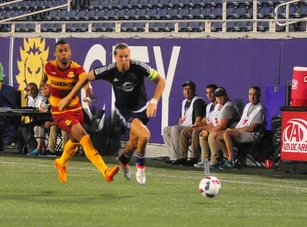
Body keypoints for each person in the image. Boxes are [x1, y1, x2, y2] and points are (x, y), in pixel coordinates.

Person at [59, 43, 166, 185]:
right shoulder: (109, 70)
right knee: (145, 135)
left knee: (134, 142)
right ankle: (140, 167)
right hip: (125, 111)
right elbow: (85, 77)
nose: (124, 59)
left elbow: (161, 81)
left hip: (143, 108)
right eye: (121, 57)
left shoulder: (139, 67)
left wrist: (154, 101)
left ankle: (123, 160)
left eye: (126, 56)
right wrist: (69, 96)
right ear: (115, 57)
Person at [41, 39, 119, 183]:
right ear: (55, 54)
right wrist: (45, 89)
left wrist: (88, 93)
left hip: (76, 109)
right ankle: (105, 170)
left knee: (75, 141)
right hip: (60, 111)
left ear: (70, 52)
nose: (64, 53)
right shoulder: (48, 67)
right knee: (84, 137)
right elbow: (44, 80)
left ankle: (61, 162)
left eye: (66, 50)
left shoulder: (77, 69)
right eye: (61, 51)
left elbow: (85, 83)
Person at [215, 86, 265, 169]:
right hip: (241, 131)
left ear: (259, 96)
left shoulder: (259, 109)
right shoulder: (247, 106)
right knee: (215, 135)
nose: (252, 97)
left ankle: (231, 160)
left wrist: (235, 130)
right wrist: (234, 129)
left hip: (252, 134)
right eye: (250, 94)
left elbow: (251, 128)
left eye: (254, 94)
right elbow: (242, 122)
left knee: (227, 133)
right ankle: (227, 157)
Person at [162, 80, 206, 165]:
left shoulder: (197, 101)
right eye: (185, 89)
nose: (187, 91)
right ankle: (172, 156)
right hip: (184, 126)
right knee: (166, 130)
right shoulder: (184, 102)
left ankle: (177, 157)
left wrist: (192, 129)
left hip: (192, 126)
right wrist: (179, 127)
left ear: (194, 90)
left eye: (189, 89)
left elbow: (198, 119)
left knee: (175, 129)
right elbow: (181, 119)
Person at [196, 87, 240, 168]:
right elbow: (214, 123)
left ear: (226, 95)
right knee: (202, 134)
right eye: (217, 96)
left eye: (221, 95)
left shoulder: (228, 106)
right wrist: (205, 130)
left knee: (212, 135)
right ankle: (204, 160)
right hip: (222, 130)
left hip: (231, 131)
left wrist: (208, 132)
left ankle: (214, 160)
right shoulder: (217, 106)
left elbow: (223, 125)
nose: (219, 98)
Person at [179, 84, 217, 166]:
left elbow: (214, 123)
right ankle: (182, 157)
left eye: (211, 92)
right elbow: (204, 120)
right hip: (207, 127)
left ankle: (194, 158)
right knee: (185, 132)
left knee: (196, 132)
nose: (209, 95)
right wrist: (194, 127)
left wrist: (202, 128)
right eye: (207, 93)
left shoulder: (219, 106)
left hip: (214, 129)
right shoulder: (209, 106)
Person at [28, 84, 52, 156]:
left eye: (45, 89)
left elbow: (47, 110)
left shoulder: (50, 99)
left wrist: (42, 109)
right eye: (42, 89)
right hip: (43, 119)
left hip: (52, 120)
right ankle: (42, 148)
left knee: (41, 126)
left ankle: (38, 148)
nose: (43, 91)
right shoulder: (45, 100)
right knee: (36, 127)